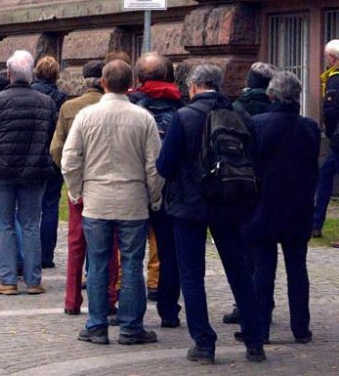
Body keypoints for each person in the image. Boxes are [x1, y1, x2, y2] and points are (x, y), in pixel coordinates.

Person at [156, 63, 265, 364]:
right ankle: (255, 340)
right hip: (230, 201)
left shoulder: (184, 116)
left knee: (192, 274)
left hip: (188, 206)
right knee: (239, 270)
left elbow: (164, 165)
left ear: (193, 86)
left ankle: (204, 343)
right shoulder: (240, 114)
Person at [63, 60, 163, 346]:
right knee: (132, 264)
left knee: (98, 263)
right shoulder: (143, 118)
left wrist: (76, 190)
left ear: (103, 82)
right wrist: (154, 197)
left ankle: (96, 325)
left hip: (96, 200)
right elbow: (153, 167)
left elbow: (70, 160)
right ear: (130, 84)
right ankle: (131, 327)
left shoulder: (86, 116)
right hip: (133, 201)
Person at [0, 51, 58, 295]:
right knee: (31, 223)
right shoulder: (46, 102)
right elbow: (52, 137)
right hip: (35, 170)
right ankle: (33, 280)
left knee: (4, 224)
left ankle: (9, 279)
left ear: (9, 74)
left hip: (0, 170)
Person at [248, 71, 318, 345]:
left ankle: (261, 326)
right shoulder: (309, 127)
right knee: (297, 269)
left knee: (263, 270)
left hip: (264, 205)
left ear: (271, 95)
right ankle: (301, 326)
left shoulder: (257, 124)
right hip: (298, 206)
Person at [50, 60, 119, 315]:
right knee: (110, 245)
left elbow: (57, 149)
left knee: (76, 244)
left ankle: (71, 300)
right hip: (109, 185)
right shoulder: (122, 109)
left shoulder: (70, 107)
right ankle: (109, 298)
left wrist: (72, 181)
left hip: (79, 185)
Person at [128, 52, 184, 325]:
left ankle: (129, 310)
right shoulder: (181, 107)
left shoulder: (131, 106)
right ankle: (169, 310)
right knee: (168, 251)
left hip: (134, 187)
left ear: (139, 78)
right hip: (170, 188)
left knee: (129, 251)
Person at [30, 56, 67, 269]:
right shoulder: (61, 98)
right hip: (52, 157)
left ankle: (30, 252)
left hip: (31, 156)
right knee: (50, 206)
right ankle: (46, 254)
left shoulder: (30, 94)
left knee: (28, 208)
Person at [314, 39, 339, 238]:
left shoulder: (334, 79)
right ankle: (316, 223)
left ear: (333, 58)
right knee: (325, 174)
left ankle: (316, 223)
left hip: (338, 137)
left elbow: (331, 111)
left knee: (325, 175)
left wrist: (330, 133)